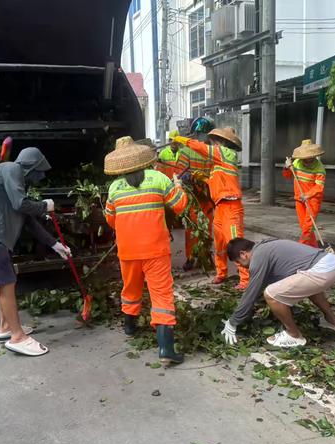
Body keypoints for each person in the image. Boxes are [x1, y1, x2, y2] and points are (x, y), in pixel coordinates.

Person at [0, 147, 71, 356]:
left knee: (4, 281)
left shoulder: (13, 178)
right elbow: (21, 204)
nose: (41, 177)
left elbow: (27, 219)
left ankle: (6, 327)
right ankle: (17, 337)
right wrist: (43, 205)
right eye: (40, 172)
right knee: (7, 282)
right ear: (32, 166)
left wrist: (54, 244)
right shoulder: (12, 169)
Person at [104, 136, 188, 365]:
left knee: (130, 288)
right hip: (156, 250)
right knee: (161, 295)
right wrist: (179, 186)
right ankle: (166, 349)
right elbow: (180, 206)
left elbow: (111, 220)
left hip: (128, 251)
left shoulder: (114, 188)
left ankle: (130, 327)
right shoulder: (159, 178)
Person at [221, 238, 335, 348]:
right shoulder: (266, 247)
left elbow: (252, 292)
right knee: (306, 285)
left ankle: (294, 336)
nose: (240, 267)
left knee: (271, 294)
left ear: (243, 254)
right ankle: (333, 322)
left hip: (322, 271)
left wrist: (233, 322)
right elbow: (258, 289)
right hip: (333, 265)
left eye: (238, 262)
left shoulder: (258, 257)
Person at [174, 127, 249, 290]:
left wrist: (182, 139)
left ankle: (245, 279)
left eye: (214, 140)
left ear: (222, 142)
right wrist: (199, 177)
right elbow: (218, 181)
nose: (211, 143)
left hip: (231, 206)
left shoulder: (226, 153)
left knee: (236, 243)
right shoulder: (218, 163)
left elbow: (202, 148)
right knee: (220, 244)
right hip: (220, 207)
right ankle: (221, 273)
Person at [176, 133, 214, 271]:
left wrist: (191, 178)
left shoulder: (185, 151)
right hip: (207, 195)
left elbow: (180, 175)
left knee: (192, 228)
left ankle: (192, 258)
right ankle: (205, 256)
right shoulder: (211, 152)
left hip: (193, 196)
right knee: (206, 229)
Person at [283, 139, 326, 247]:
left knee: (308, 226)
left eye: (310, 158)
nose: (307, 161)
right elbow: (287, 175)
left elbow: (319, 187)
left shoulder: (320, 168)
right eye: (305, 159)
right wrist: (287, 167)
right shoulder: (296, 163)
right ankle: (313, 248)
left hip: (313, 200)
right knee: (304, 226)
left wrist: (307, 195)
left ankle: (300, 247)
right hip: (299, 198)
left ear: (314, 156)